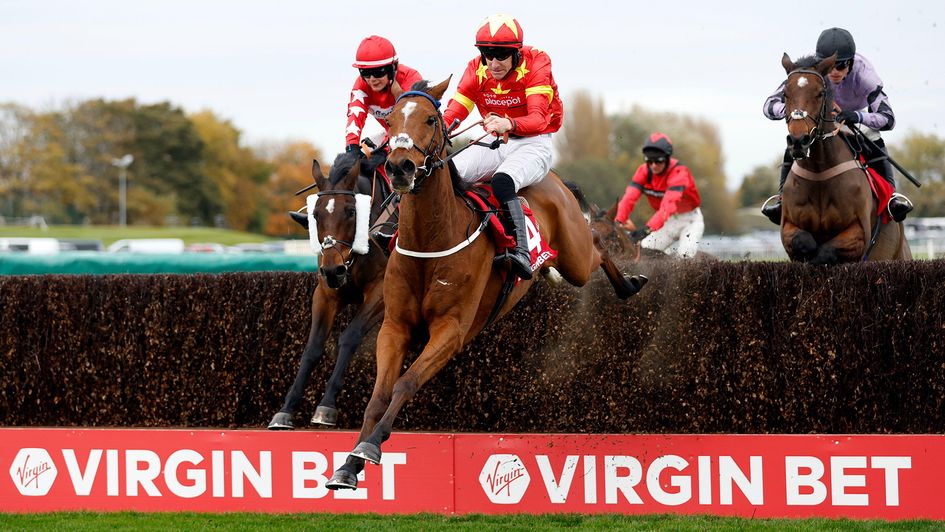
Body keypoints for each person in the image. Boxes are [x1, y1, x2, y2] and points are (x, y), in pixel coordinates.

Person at [442, 14, 564, 280]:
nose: (493, 63)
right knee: (445, 173)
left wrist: (508, 123)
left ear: (516, 53)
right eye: (487, 54)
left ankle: (521, 251)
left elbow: (539, 119)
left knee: (502, 181)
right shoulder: (476, 68)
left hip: (533, 142)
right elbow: (455, 110)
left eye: (501, 55)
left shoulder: (537, 63)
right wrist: (436, 129)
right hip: (496, 139)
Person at [761, 27, 912, 225]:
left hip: (853, 120)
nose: (833, 72)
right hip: (820, 120)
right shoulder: (811, 71)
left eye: (840, 67)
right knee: (798, 136)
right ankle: (782, 198)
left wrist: (856, 116)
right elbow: (768, 106)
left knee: (873, 134)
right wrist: (795, 113)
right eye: (829, 67)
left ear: (851, 63)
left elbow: (888, 118)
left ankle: (891, 197)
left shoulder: (865, 75)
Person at [613, 133, 704, 258]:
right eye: (649, 161)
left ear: (667, 159)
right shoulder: (643, 171)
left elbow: (667, 207)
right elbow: (628, 200)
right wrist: (616, 223)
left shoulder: (679, 172)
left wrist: (645, 230)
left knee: (684, 257)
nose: (653, 165)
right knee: (644, 253)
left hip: (690, 221)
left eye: (658, 161)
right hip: (668, 222)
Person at [346, 35, 422, 154]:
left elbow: (407, 123)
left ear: (393, 68)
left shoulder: (410, 78)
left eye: (377, 72)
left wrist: (385, 148)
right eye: (365, 72)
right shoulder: (361, 85)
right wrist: (351, 147)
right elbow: (354, 118)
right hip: (390, 134)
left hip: (418, 133)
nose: (372, 79)